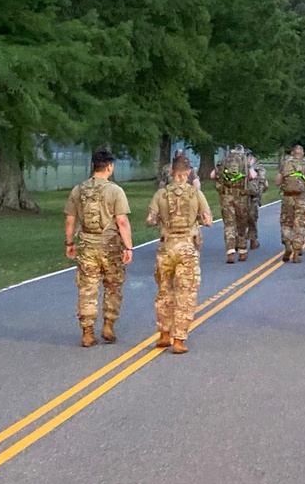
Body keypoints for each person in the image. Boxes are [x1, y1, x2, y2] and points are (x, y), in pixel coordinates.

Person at [64, 148, 134, 348]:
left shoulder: (78, 190)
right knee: (113, 286)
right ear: (109, 167)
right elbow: (122, 222)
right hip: (110, 246)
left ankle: (87, 332)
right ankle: (108, 325)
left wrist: (70, 243)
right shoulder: (115, 191)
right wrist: (128, 247)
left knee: (87, 288)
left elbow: (70, 220)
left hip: (87, 246)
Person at [145, 154, 213, 354]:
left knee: (164, 292)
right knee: (186, 294)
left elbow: (150, 219)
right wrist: (199, 220)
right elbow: (208, 219)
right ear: (188, 173)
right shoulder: (195, 194)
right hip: (187, 249)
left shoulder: (161, 194)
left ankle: (163, 334)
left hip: (166, 248)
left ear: (172, 173)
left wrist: (161, 221)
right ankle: (179, 339)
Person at [210, 145, 253, 263]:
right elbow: (252, 176)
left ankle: (230, 252)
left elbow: (212, 175)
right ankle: (242, 251)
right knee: (241, 223)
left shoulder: (224, 160)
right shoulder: (244, 160)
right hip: (241, 197)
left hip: (226, 197)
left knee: (229, 224)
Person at [275, 144, 305, 263]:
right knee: (300, 224)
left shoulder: (285, 163)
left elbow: (277, 181)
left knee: (286, 222)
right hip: (301, 199)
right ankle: (297, 252)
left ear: (292, 153)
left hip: (287, 198)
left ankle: (288, 243)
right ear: (302, 153)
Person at [246, 152, 267, 250]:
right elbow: (264, 184)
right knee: (252, 219)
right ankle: (252, 240)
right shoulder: (256, 169)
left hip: (248, 197)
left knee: (246, 219)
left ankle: (247, 240)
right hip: (251, 198)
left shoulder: (258, 170)